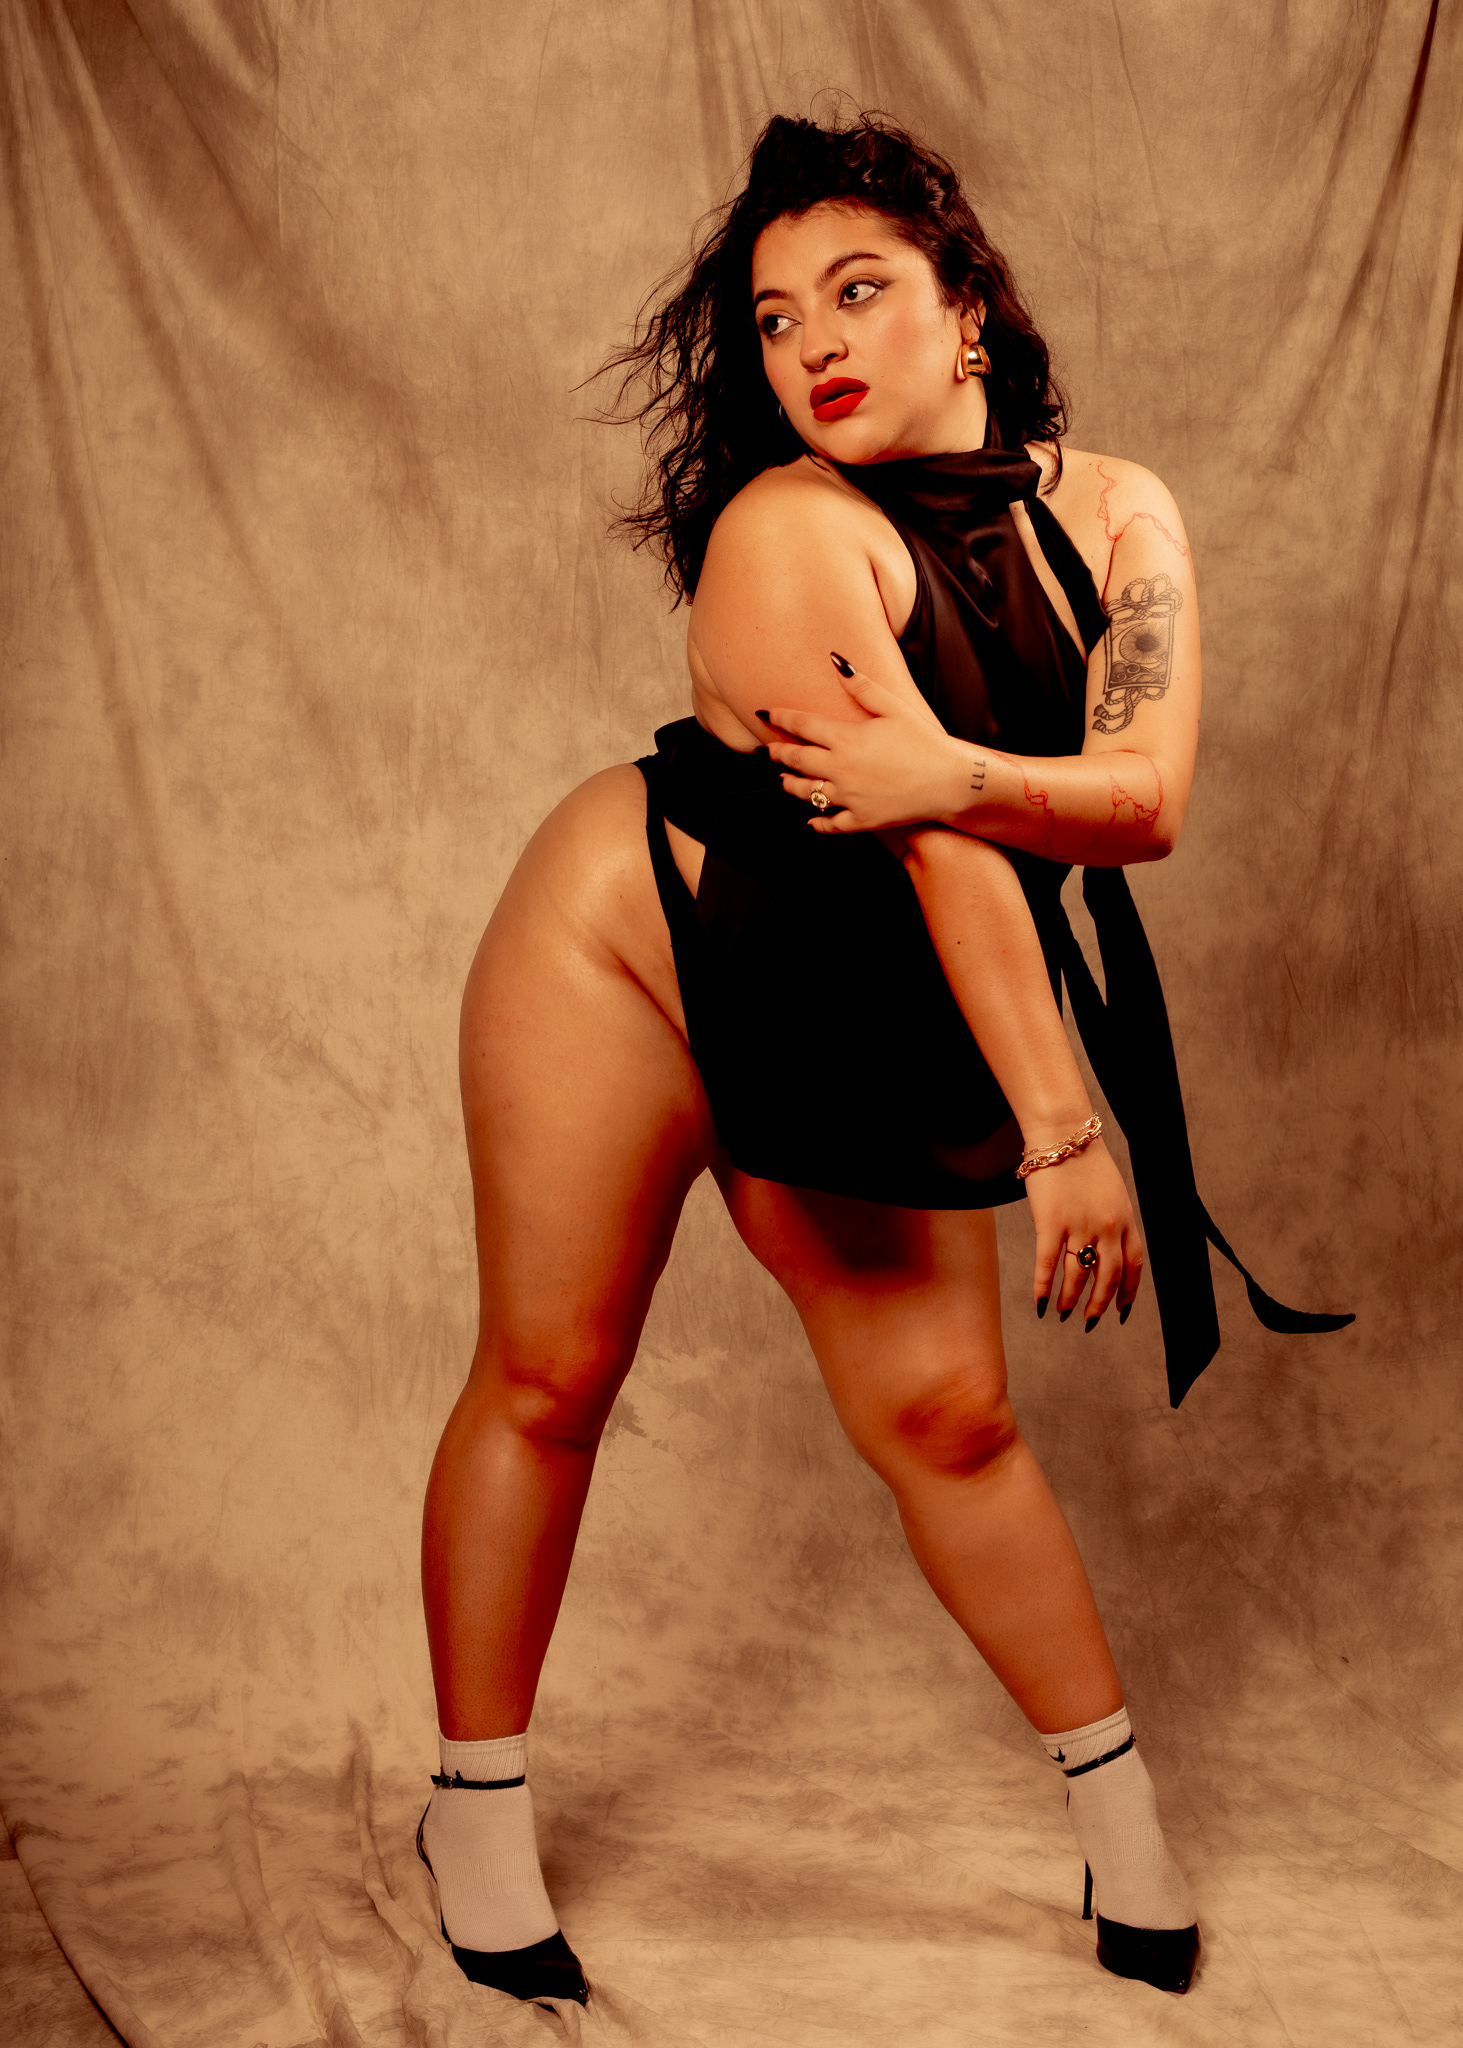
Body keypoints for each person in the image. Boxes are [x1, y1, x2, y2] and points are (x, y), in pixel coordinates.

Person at [415, 109, 1225, 2009]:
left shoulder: (1121, 515)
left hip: (886, 989)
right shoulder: (788, 530)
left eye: (858, 293)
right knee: (552, 1374)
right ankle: (473, 1806)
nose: (814, 347)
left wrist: (948, 766)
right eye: (777, 321)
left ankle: (1121, 1825)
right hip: (641, 946)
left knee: (948, 1419)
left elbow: (1150, 802)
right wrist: (1064, 1134)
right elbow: (946, 846)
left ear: (969, 311)